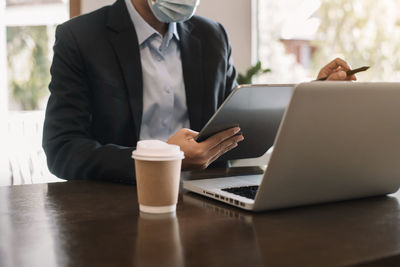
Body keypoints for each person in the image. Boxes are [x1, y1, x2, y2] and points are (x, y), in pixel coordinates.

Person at [42, 0, 356, 184]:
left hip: (207, 202)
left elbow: (239, 126)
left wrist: (317, 96)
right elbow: (62, 149)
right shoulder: (80, 38)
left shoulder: (213, 36)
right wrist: (164, 159)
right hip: (119, 206)